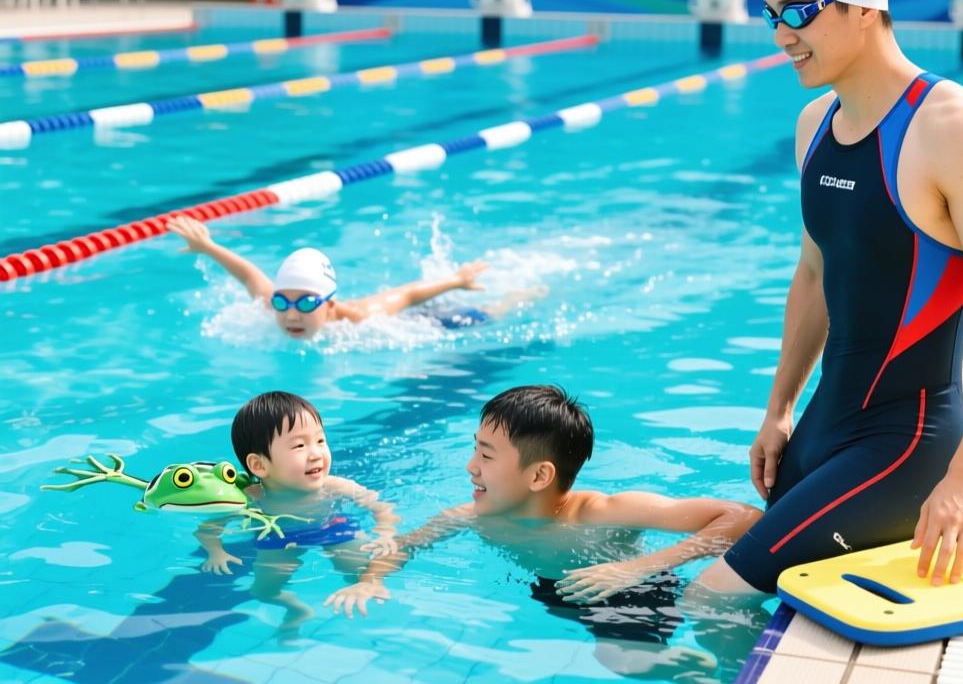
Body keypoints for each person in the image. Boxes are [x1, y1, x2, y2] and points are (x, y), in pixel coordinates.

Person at [689, 0, 963, 598]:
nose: (782, 34)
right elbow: (815, 273)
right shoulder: (814, 125)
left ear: (863, 5)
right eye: (772, 14)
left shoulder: (958, 132)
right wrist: (779, 408)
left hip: (907, 448)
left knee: (712, 598)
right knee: (717, 574)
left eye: (800, 11)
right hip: (824, 428)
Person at [325, 384, 761, 677]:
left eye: (486, 456)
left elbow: (743, 516)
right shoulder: (473, 516)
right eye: (475, 449)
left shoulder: (603, 512)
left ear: (539, 476)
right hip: (557, 591)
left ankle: (699, 672)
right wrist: (371, 580)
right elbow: (404, 547)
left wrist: (636, 568)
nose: (471, 466)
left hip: (632, 589)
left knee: (621, 660)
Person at [195, 390, 398, 632]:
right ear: (259, 465)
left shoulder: (335, 487)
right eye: (300, 445)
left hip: (334, 528)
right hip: (278, 539)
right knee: (263, 591)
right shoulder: (252, 497)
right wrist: (216, 552)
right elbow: (208, 528)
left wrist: (385, 533)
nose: (316, 454)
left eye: (320, 441)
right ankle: (296, 609)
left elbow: (381, 507)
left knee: (366, 574)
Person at [166, 215, 525, 340]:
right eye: (282, 301)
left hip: (422, 320)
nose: (292, 314)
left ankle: (519, 296)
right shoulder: (273, 305)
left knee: (479, 317)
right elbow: (250, 275)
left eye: (307, 303)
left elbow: (406, 295)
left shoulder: (356, 318)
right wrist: (208, 247)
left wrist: (456, 280)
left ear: (330, 303)